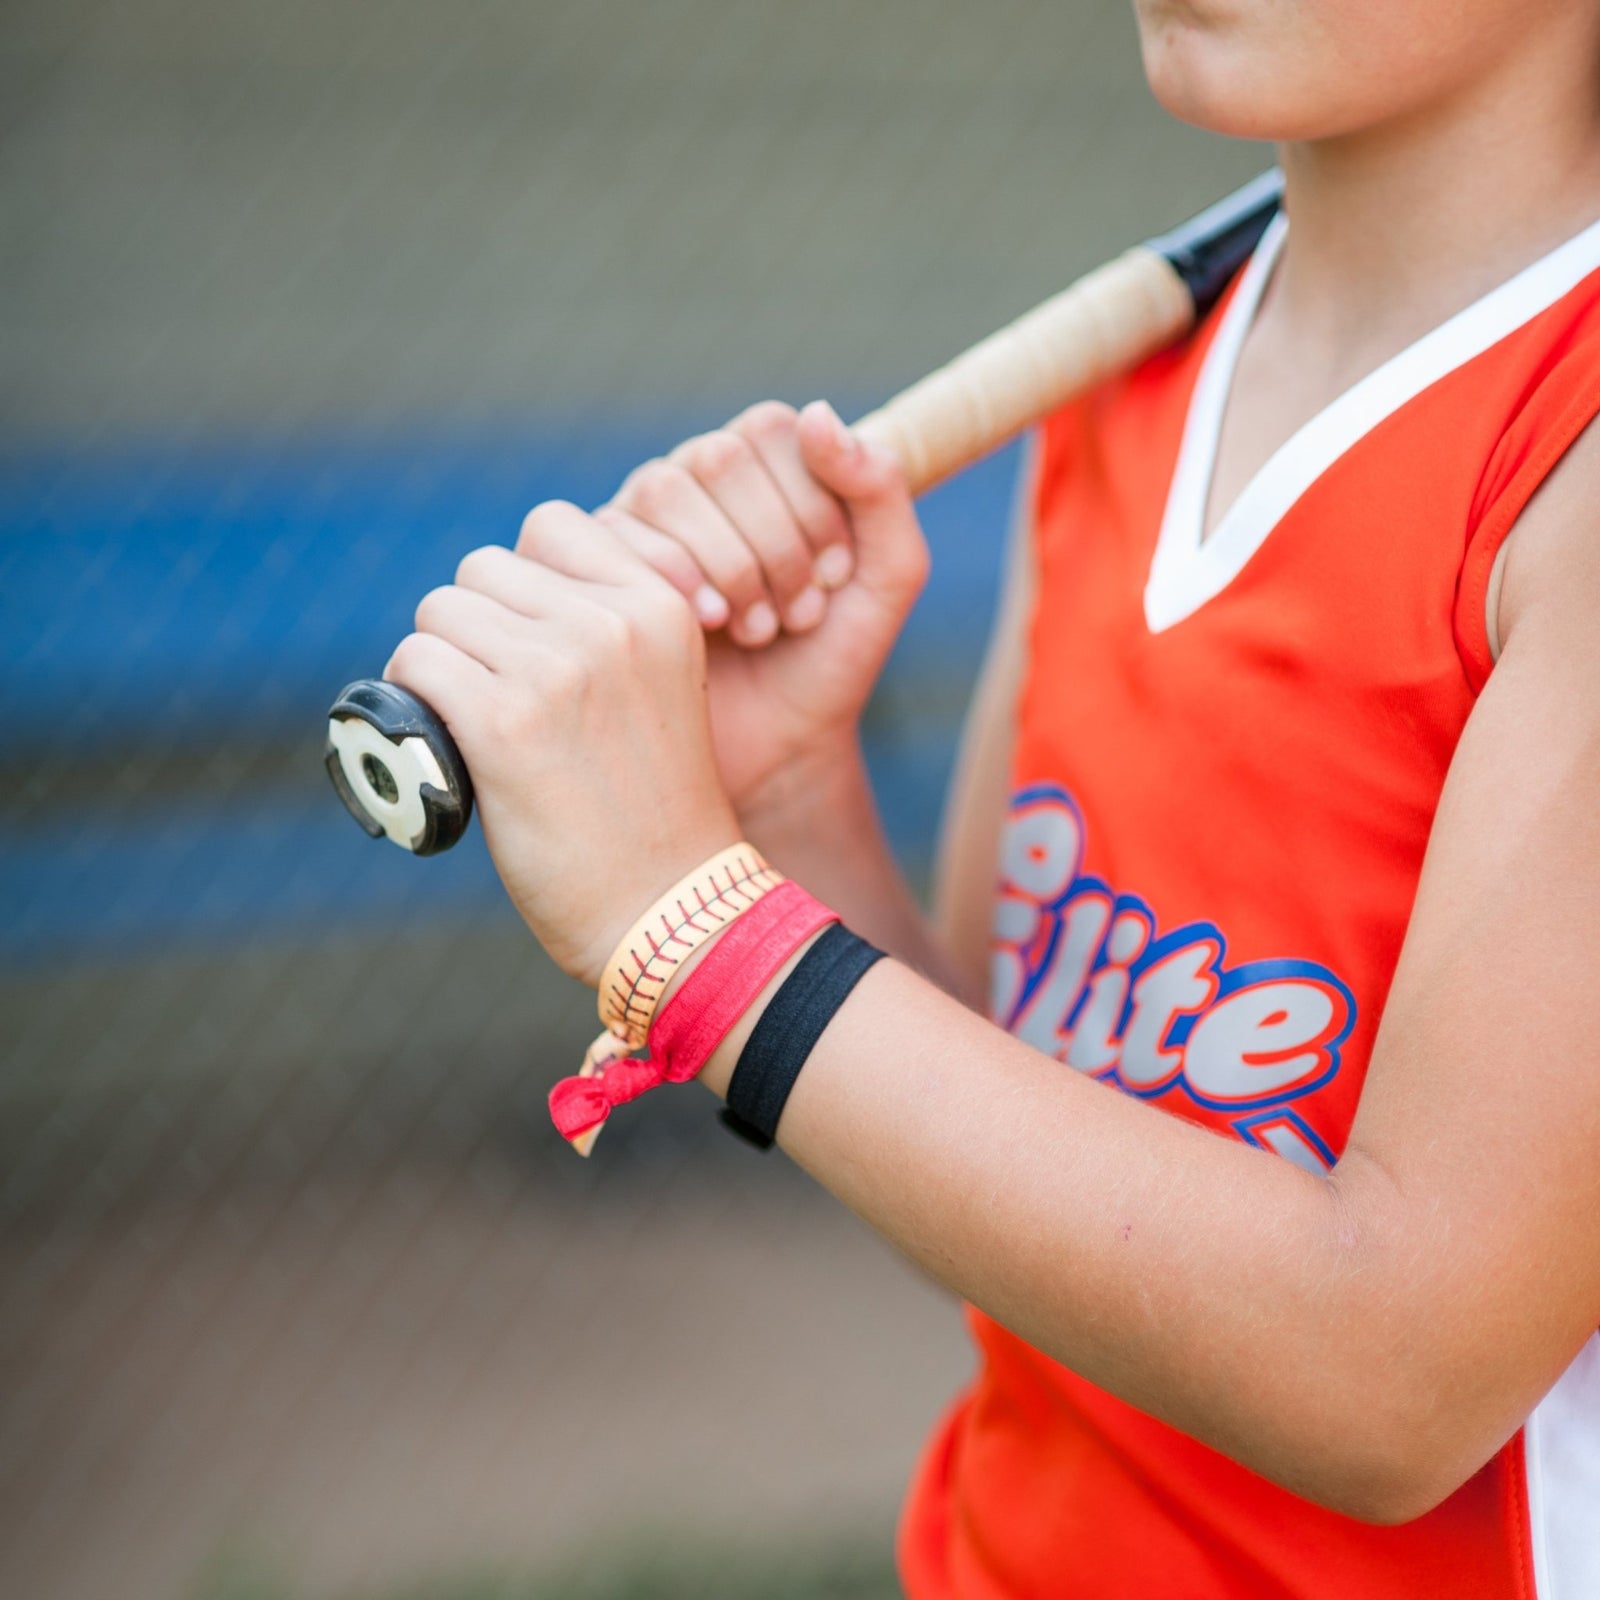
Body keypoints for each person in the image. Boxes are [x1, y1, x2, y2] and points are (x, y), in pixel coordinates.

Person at [382, 1, 1600, 1593]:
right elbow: (1009, 1152)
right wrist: (794, 808)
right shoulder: (1135, 379)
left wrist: (695, 930)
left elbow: (1399, 1377)